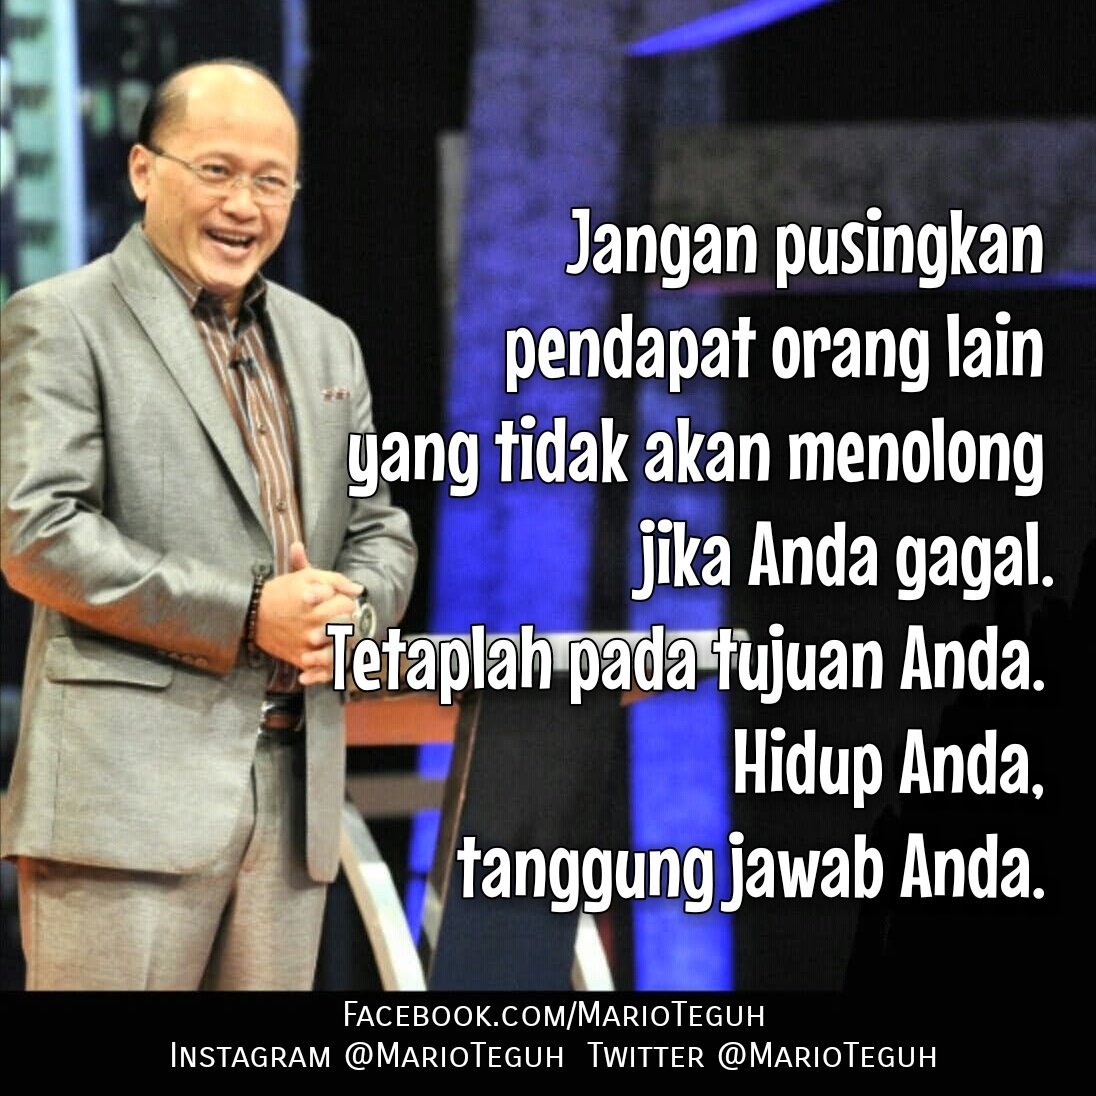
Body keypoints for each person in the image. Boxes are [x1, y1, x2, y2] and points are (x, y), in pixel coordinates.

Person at [0, 59, 417, 989]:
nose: (243, 204)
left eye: (271, 182)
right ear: (144, 170)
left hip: (294, 799)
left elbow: (381, 526)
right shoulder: (61, 320)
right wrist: (251, 612)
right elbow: (39, 534)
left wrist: (349, 615)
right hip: (124, 804)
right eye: (217, 170)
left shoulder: (328, 343)